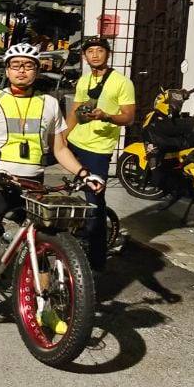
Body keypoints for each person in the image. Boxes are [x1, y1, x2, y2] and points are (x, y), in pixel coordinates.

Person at [0, 42, 105, 336]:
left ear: (37, 70)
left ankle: (45, 309)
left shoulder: (49, 103)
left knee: (42, 246)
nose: (22, 71)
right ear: (7, 70)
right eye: (16, 65)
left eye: (28, 65)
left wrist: (83, 173)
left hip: (33, 184)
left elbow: (59, 148)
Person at [65, 35, 135, 270]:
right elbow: (75, 112)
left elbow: (128, 117)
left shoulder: (122, 82)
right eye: (90, 51)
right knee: (61, 189)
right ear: (85, 56)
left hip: (98, 148)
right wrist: (61, 139)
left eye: (99, 50)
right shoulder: (84, 80)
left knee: (94, 199)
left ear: (108, 54)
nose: (95, 55)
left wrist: (106, 116)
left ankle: (97, 259)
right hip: (75, 142)